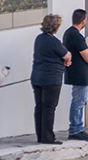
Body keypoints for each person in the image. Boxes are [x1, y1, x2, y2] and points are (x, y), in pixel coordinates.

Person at [30, 14, 72, 144]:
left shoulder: (39, 39)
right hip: (51, 78)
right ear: (56, 27)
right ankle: (48, 136)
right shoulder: (54, 41)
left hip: (37, 76)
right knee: (49, 108)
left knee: (40, 107)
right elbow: (66, 55)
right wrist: (67, 61)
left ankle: (41, 135)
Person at [64, 9, 88, 141]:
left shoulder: (68, 33)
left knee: (80, 100)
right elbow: (86, 55)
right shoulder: (75, 35)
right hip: (79, 73)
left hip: (77, 72)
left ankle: (77, 128)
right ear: (83, 21)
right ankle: (75, 129)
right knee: (78, 101)